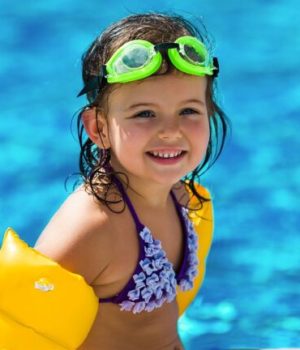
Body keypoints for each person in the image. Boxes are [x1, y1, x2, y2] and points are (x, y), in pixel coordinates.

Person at [0, 12, 229, 350]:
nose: (170, 130)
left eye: (188, 111)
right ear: (99, 129)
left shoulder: (182, 199)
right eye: (144, 114)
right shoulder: (93, 227)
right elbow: (24, 334)